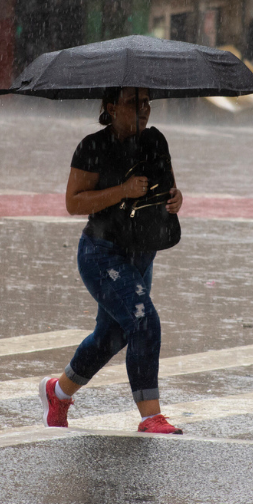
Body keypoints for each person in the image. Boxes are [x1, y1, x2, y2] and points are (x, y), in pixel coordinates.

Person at [39, 86, 184, 434]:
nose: (144, 110)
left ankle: (58, 392)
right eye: (134, 103)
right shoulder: (93, 146)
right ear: (110, 107)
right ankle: (151, 416)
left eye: (147, 103)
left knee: (111, 336)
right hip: (101, 252)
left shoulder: (155, 141)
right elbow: (74, 203)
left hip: (142, 251)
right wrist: (122, 189)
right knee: (143, 321)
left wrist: (176, 199)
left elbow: (166, 189)